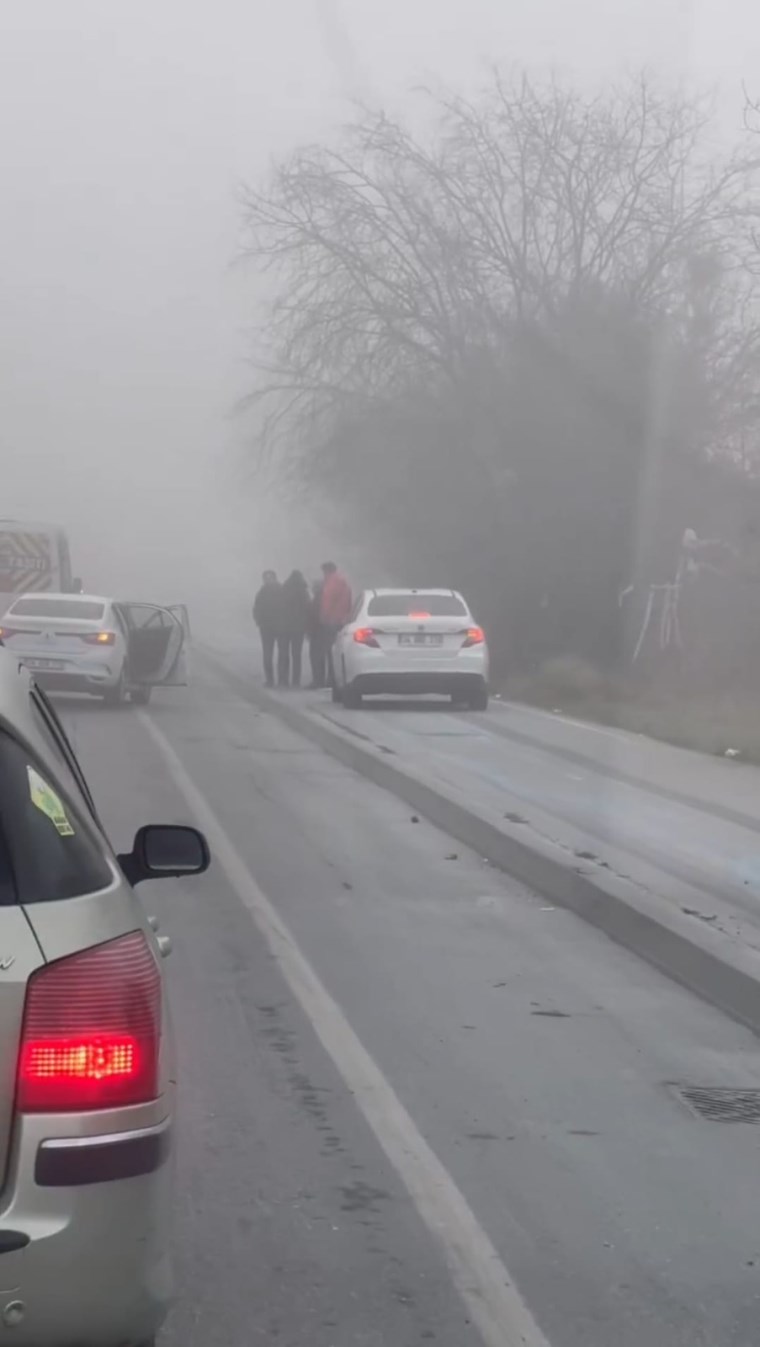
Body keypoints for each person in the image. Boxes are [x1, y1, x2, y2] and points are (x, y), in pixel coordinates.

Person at [319, 561, 352, 686]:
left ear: (327, 571)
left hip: (332, 620)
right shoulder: (344, 581)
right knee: (340, 650)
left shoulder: (332, 582)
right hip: (342, 619)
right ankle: (339, 677)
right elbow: (349, 601)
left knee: (331, 651)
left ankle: (332, 678)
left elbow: (328, 600)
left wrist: (324, 616)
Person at [278, 569, 311, 688]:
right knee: (296, 655)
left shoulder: (284, 589)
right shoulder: (303, 591)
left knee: (284, 654)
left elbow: (279, 608)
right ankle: (295, 681)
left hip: (284, 627)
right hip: (299, 628)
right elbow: (308, 609)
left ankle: (283, 679)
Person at [252, 570, 283, 687]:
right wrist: (258, 620)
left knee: (278, 653)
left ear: (274, 578)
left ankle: (280, 679)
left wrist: (258, 620)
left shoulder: (265, 591)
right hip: (268, 627)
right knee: (269, 654)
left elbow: (256, 608)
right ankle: (272, 679)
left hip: (277, 626)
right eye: (266, 578)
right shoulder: (264, 592)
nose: (268, 580)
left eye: (269, 578)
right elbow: (256, 608)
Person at [308, 577, 326, 688]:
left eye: (315, 586)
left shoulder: (318, 599)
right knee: (319, 657)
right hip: (320, 631)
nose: (313, 588)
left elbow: (314, 617)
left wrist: (310, 630)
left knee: (316, 657)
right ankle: (320, 680)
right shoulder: (321, 598)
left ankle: (317, 681)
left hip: (317, 632)